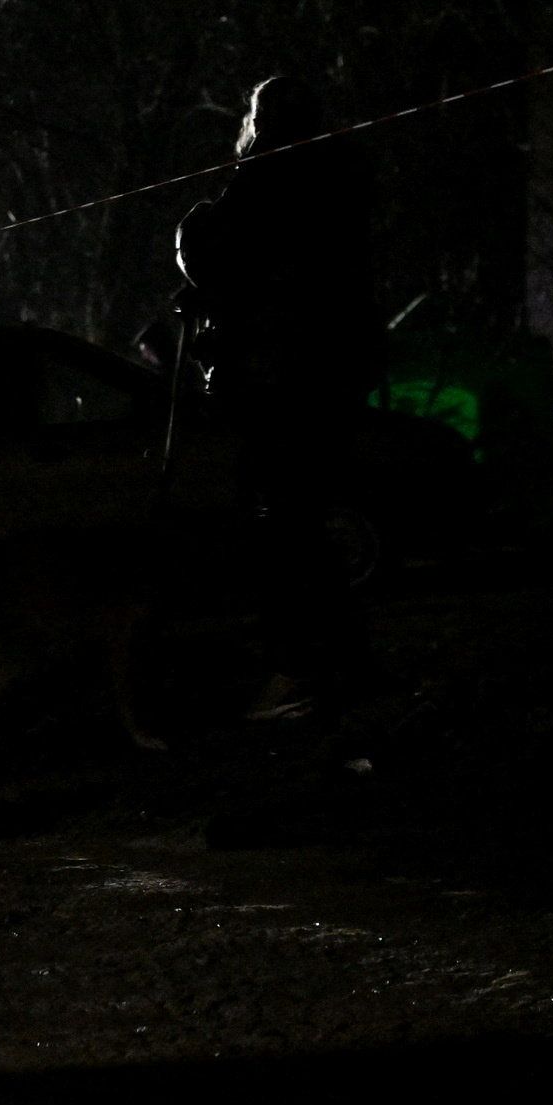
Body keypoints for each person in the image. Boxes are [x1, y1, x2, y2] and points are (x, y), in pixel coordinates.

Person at [175, 75, 380, 720]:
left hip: (280, 379)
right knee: (305, 522)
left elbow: (227, 261)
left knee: (283, 528)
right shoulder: (345, 182)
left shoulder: (265, 182)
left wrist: (194, 235)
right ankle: (342, 662)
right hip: (331, 373)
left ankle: (297, 670)